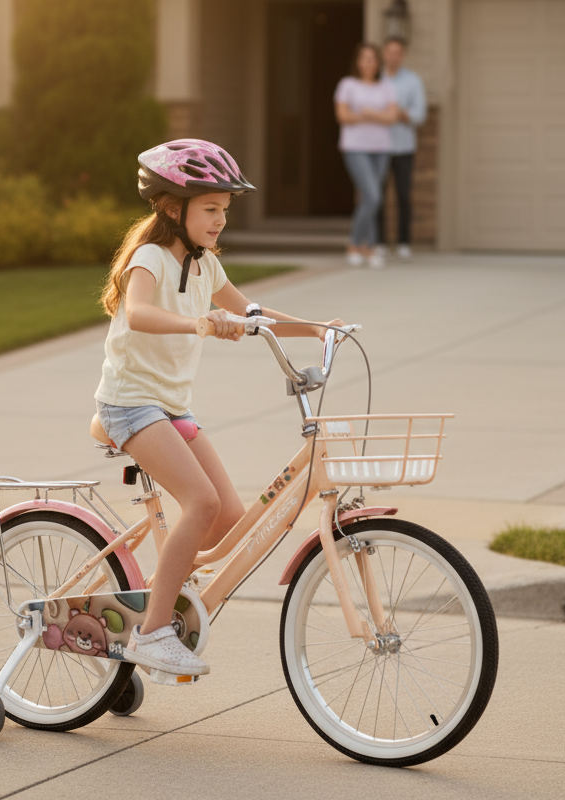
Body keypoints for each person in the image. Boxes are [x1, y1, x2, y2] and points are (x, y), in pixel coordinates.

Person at [95, 139, 342, 682]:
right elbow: (137, 314)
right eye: (211, 209)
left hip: (171, 408)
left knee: (230, 521)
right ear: (171, 207)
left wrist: (316, 327)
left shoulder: (206, 267)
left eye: (225, 210)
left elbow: (252, 312)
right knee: (201, 503)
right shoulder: (149, 259)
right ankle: (154, 633)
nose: (221, 221)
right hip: (130, 405)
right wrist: (200, 323)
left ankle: (169, 588)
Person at [334, 43, 399, 268]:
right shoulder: (347, 85)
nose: (369, 63)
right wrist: (376, 116)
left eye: (372, 59)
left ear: (378, 63)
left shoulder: (386, 86)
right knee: (373, 197)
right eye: (364, 58)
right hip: (355, 148)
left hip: (381, 149)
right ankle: (355, 244)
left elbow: (392, 117)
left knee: (370, 199)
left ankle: (369, 249)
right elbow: (343, 116)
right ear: (358, 62)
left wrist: (367, 113)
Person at [379, 37, 427, 261]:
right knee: (377, 196)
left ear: (403, 55)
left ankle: (404, 243)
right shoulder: (375, 78)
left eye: (398, 52)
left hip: (404, 146)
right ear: (384, 53)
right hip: (377, 147)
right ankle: (378, 242)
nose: (393, 56)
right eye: (390, 52)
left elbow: (420, 115)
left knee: (403, 195)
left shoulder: (412, 81)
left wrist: (399, 113)